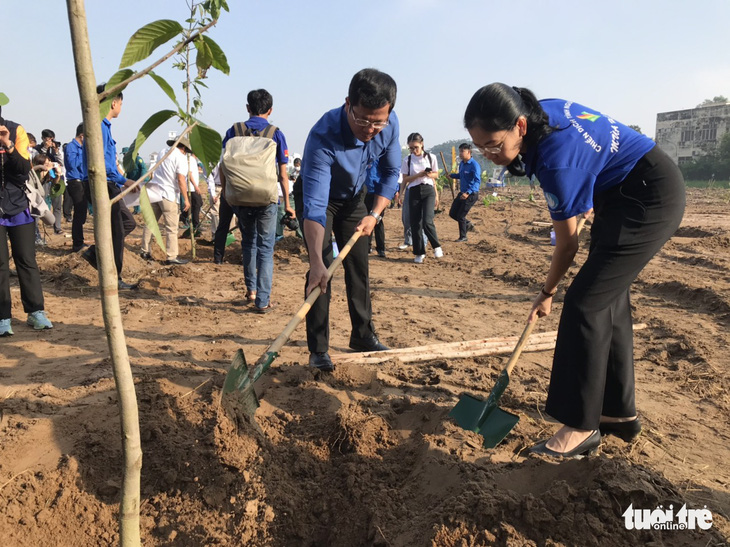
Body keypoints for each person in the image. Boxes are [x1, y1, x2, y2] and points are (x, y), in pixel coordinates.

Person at [464, 83, 685, 458]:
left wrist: (547, 292)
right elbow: (593, 150)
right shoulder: (539, 111)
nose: (488, 155)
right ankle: (617, 413)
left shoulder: (555, 160)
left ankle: (581, 427)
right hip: (622, 191)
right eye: (480, 146)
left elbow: (567, 245)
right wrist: (584, 192)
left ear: (520, 125)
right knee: (608, 300)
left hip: (649, 197)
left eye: (494, 145)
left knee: (585, 303)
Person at [295, 68, 400, 372]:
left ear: (389, 112)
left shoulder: (389, 125)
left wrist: (374, 214)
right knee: (322, 268)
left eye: (378, 121)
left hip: (355, 197)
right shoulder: (323, 136)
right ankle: (318, 349)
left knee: (358, 264)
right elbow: (314, 205)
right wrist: (315, 260)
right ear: (348, 104)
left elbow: (392, 173)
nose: (370, 128)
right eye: (363, 120)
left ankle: (363, 335)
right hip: (321, 198)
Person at [220, 88, 294, 312]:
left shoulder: (234, 131)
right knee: (265, 247)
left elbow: (222, 165)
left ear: (247, 108)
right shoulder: (275, 134)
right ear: (270, 110)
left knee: (248, 244)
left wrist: (227, 192)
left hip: (240, 198)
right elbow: (283, 174)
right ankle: (263, 300)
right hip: (266, 199)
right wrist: (288, 205)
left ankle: (251, 291)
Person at [81, 85, 139, 290]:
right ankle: (115, 277)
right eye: (121, 103)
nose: (121, 107)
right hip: (101, 185)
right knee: (116, 228)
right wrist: (125, 181)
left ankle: (95, 252)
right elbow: (102, 165)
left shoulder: (103, 126)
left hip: (107, 184)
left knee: (126, 224)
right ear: (114, 102)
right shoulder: (97, 127)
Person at [0, 110, 53, 335]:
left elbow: (23, 171)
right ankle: (3, 317)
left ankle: (35, 312)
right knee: (0, 265)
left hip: (19, 205)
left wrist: (8, 145)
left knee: (26, 259)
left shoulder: (16, 130)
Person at [140, 135, 192, 265]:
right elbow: (181, 180)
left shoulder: (163, 152)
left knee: (150, 223)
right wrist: (186, 199)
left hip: (154, 190)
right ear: (184, 148)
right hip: (168, 194)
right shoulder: (181, 158)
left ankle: (145, 250)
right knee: (171, 228)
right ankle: (171, 256)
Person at [400, 132, 442, 263]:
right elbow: (405, 179)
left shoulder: (431, 157)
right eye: (411, 148)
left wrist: (436, 194)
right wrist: (401, 194)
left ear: (422, 144)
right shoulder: (408, 160)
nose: (413, 150)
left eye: (415, 147)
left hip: (428, 190)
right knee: (415, 223)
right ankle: (419, 252)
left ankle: (437, 246)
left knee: (427, 221)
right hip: (414, 191)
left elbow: (436, 175)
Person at [447, 143, 481, 242]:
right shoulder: (462, 164)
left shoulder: (474, 165)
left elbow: (477, 181)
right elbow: (461, 175)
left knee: (461, 216)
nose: (460, 154)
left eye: (462, 151)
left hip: (471, 194)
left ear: (469, 152)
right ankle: (468, 224)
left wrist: (468, 193)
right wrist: (452, 176)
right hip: (462, 193)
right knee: (453, 213)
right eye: (460, 151)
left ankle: (463, 237)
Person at [64, 123, 89, 252]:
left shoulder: (80, 147)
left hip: (83, 182)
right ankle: (77, 243)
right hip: (75, 182)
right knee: (79, 214)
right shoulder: (71, 147)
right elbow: (73, 165)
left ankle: (79, 241)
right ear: (82, 135)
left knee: (82, 213)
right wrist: (84, 155)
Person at [364, 158, 387, 257]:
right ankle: (367, 247)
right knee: (365, 219)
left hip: (378, 193)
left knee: (377, 221)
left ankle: (380, 248)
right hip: (364, 193)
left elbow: (388, 175)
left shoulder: (379, 160)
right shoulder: (362, 159)